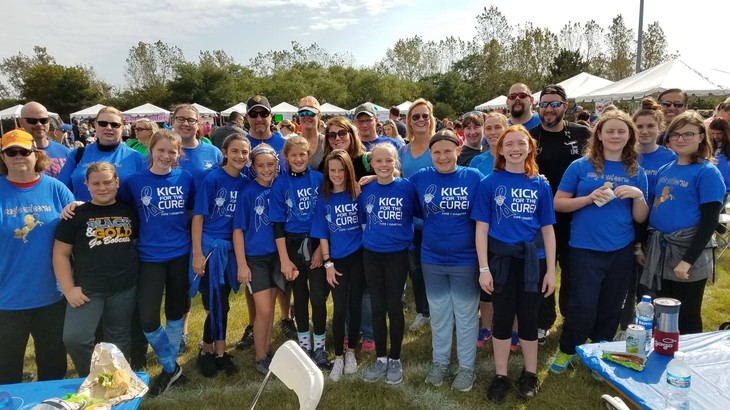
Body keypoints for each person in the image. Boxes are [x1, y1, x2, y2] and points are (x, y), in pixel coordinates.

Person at [550, 110, 649, 374]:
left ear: (629, 136)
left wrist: (639, 196)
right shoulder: (581, 166)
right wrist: (587, 198)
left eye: (621, 131)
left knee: (611, 304)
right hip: (584, 247)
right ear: (599, 135)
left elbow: (640, 217)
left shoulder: (636, 170)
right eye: (610, 131)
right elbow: (558, 203)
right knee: (582, 304)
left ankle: (599, 351)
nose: (615, 136)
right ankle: (568, 349)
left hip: (620, 248)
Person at [473, 125, 556, 403]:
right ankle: (501, 375)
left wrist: (551, 273)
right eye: (509, 144)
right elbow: (481, 229)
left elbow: (547, 230)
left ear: (530, 147)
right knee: (503, 317)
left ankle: (530, 374)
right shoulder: (490, 183)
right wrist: (484, 268)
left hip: (534, 262)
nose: (515, 149)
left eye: (521, 143)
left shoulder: (540, 184)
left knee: (529, 318)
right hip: (501, 262)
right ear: (500, 149)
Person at [118, 130, 194, 395]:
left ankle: (169, 369)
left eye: (172, 152)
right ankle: (172, 367)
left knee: (175, 313)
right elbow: (120, 208)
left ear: (178, 154)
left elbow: (192, 212)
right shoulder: (134, 182)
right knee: (148, 318)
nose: (166, 156)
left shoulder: (185, 178)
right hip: (149, 257)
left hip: (180, 255)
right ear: (150, 150)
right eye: (161, 150)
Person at [410, 131, 483, 392]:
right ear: (431, 154)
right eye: (437, 152)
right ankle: (439, 362)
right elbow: (397, 190)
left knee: (465, 316)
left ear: (458, 150)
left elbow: (493, 196)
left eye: (447, 151)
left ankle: (466, 367)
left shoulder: (473, 177)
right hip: (432, 258)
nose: (442, 156)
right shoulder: (420, 178)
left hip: (465, 259)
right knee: (439, 314)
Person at [0, 129, 75, 384]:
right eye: (11, 152)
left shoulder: (56, 189)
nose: (19, 156)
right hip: (7, 300)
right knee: (6, 372)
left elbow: (76, 228)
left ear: (36, 154)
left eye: (25, 151)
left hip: (52, 296)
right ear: (3, 157)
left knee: (54, 367)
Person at [640, 111, 725, 334]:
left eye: (688, 134)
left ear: (701, 137)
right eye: (675, 134)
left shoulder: (707, 172)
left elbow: (710, 221)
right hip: (660, 250)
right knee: (660, 310)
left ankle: (687, 360)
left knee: (686, 315)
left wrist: (688, 260)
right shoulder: (665, 169)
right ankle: (662, 353)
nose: (680, 139)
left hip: (687, 253)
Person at [53, 162, 139, 377]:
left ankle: (118, 379)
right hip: (88, 289)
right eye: (96, 183)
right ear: (87, 185)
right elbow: (60, 254)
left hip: (124, 286)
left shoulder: (129, 211)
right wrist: (68, 289)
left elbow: (134, 242)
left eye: (108, 182)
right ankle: (93, 377)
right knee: (75, 338)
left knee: (118, 335)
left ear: (117, 182)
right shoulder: (75, 215)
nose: (103, 188)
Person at [529, 85, 591, 345]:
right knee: (543, 270)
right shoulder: (530, 136)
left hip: (575, 215)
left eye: (555, 104)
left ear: (566, 106)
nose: (549, 109)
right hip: (540, 218)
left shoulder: (581, 133)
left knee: (572, 271)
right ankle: (543, 322)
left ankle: (569, 317)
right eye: (544, 104)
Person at [191, 134, 250, 377]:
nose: (240, 156)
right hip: (209, 249)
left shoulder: (246, 182)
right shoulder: (213, 178)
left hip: (229, 249)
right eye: (235, 151)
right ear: (224, 152)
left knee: (222, 304)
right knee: (216, 304)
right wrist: (197, 253)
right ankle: (206, 352)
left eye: (245, 152)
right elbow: (198, 218)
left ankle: (220, 353)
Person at [360, 143, 420, 385]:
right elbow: (364, 218)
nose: (384, 165)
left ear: (396, 163)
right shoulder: (366, 189)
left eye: (388, 161)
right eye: (378, 161)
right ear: (371, 164)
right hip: (372, 255)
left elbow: (418, 213)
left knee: (394, 306)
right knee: (377, 306)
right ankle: (381, 358)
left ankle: (395, 358)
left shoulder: (406, 188)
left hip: (397, 255)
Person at [617, 98, 677, 334]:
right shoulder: (623, 156)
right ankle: (625, 328)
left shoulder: (670, 157)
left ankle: (655, 330)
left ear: (659, 128)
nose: (644, 131)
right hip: (628, 228)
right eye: (639, 126)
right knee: (626, 284)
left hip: (658, 229)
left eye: (650, 126)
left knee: (651, 285)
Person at [269, 136, 329, 367]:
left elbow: (325, 216)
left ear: (309, 155)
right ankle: (305, 345)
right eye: (293, 155)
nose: (298, 159)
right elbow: (277, 224)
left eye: (302, 154)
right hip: (292, 246)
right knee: (300, 297)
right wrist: (284, 259)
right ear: (286, 158)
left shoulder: (318, 179)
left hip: (316, 243)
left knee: (317, 296)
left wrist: (320, 251)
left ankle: (320, 347)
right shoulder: (280, 184)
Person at [311, 149, 364, 381]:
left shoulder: (359, 194)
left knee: (355, 307)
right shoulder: (324, 199)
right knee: (340, 309)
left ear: (348, 170)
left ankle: (351, 351)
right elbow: (322, 234)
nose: (336, 174)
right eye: (332, 170)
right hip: (337, 260)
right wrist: (328, 262)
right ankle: (339, 356)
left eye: (341, 170)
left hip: (359, 258)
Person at [232, 144, 284, 375]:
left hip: (277, 256)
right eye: (260, 165)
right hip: (256, 259)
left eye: (270, 165)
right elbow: (238, 230)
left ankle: (267, 349)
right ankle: (260, 356)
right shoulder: (248, 192)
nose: (266, 169)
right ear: (253, 167)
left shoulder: (280, 188)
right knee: (263, 310)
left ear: (277, 165)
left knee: (270, 306)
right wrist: (242, 264)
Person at [399, 98, 436, 332]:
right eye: (415, 116)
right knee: (416, 268)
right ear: (409, 122)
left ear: (431, 119)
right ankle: (423, 311)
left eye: (425, 115)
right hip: (411, 220)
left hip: (437, 219)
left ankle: (441, 309)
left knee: (436, 266)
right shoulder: (402, 150)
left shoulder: (439, 144)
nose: (421, 120)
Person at [58, 107, 146, 201]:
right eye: (103, 123)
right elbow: (60, 191)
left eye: (114, 125)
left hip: (123, 215)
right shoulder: (78, 154)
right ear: (95, 125)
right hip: (83, 214)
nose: (108, 128)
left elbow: (146, 192)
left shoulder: (135, 157)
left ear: (122, 127)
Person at [19, 102, 70, 178]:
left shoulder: (65, 151)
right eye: (32, 120)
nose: (39, 124)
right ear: (21, 122)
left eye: (43, 120)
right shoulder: (12, 154)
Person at [297, 96, 326, 169]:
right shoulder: (291, 142)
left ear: (319, 116)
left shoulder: (327, 142)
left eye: (311, 113)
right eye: (302, 113)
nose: (306, 116)